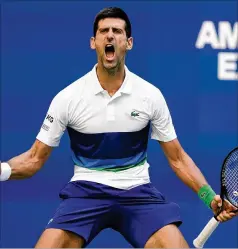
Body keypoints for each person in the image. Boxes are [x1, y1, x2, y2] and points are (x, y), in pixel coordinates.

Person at [0, 7, 237, 248]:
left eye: (117, 31)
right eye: (104, 31)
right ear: (94, 42)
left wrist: (210, 198)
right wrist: (2, 170)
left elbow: (178, 159)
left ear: (129, 42)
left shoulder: (149, 96)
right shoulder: (68, 98)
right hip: (85, 191)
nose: (110, 36)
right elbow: (33, 159)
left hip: (138, 192)